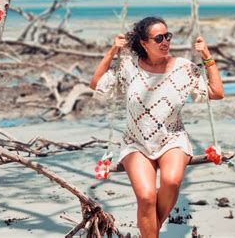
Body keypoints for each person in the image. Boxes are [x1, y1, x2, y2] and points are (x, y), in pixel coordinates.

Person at [89, 16, 224, 238]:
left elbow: (216, 93)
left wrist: (207, 56)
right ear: (144, 43)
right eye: (158, 38)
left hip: (173, 139)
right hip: (135, 141)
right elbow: (96, 84)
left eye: (167, 36)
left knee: (171, 182)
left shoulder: (183, 68)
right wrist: (113, 50)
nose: (165, 42)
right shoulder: (128, 66)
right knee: (146, 198)